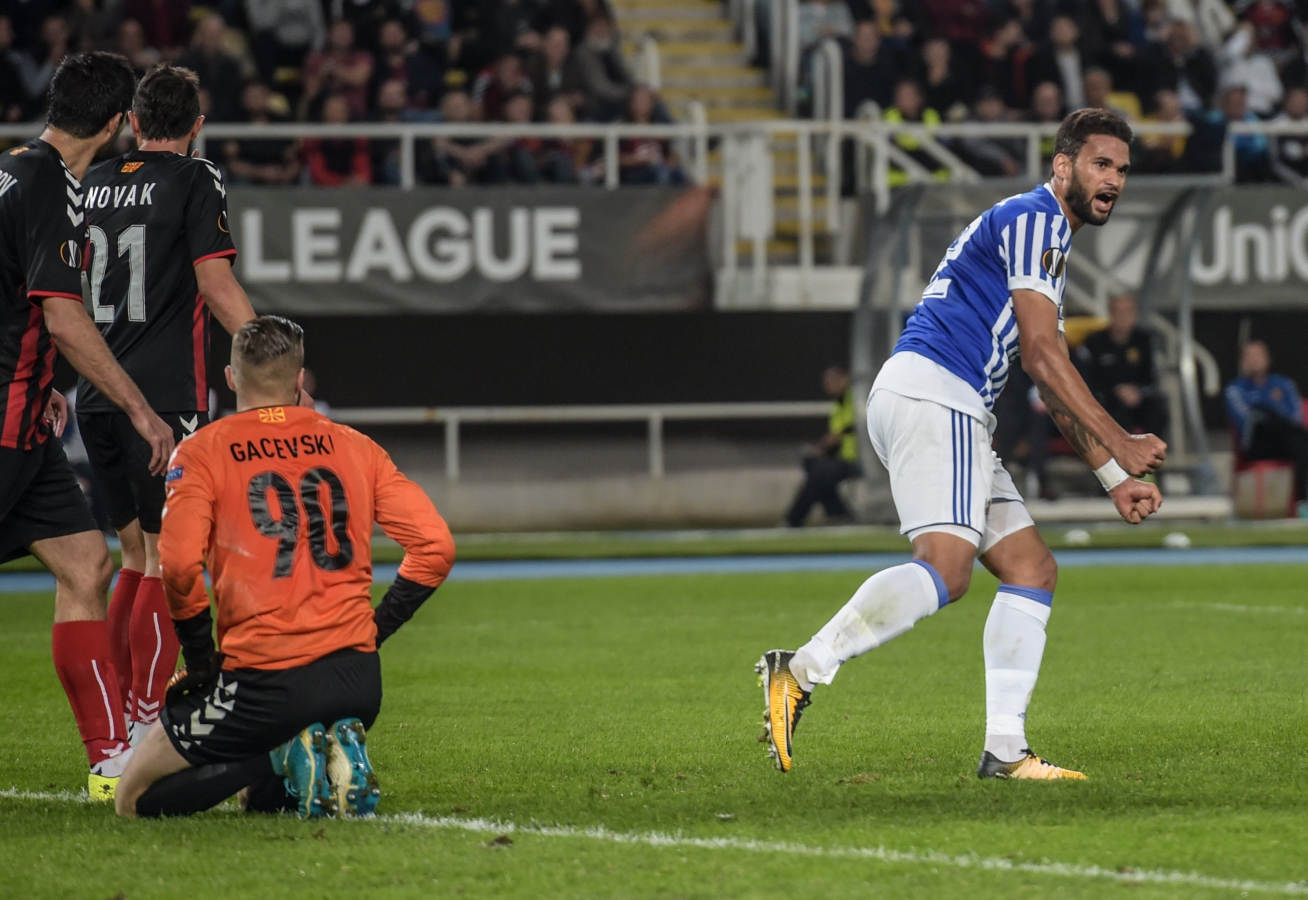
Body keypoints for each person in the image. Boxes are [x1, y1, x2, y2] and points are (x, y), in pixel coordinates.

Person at [757, 108, 1166, 781]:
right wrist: (1121, 438)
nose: (1114, 179)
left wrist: (1111, 477)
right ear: (1063, 166)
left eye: (1122, 168)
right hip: (936, 393)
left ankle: (1005, 751)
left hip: (945, 404)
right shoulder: (1036, 219)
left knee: (1031, 569)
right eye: (1101, 163)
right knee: (946, 569)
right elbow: (1040, 357)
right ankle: (799, 670)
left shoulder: (1047, 247)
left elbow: (1054, 378)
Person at [115, 316, 455, 819]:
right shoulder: (356, 446)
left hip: (264, 682)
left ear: (230, 379)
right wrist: (372, 632)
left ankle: (279, 749)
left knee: (132, 798)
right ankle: (302, 751)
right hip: (357, 682)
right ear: (300, 380)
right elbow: (436, 547)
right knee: (262, 806)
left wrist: (203, 661)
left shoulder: (204, 450)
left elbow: (180, 565)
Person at [0, 51, 175, 801]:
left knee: (86, 566)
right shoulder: (50, 188)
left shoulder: (8, 168)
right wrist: (138, 406)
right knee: (91, 568)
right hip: (3, 420)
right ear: (114, 124)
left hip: (26, 416)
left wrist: (43, 381)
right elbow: (65, 316)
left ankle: (109, 763)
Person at [79, 64, 257, 747]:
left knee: (130, 555)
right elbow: (214, 281)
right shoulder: (195, 176)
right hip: (164, 399)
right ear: (197, 125)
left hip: (96, 394)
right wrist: (266, 355)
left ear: (130, 121)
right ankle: (152, 721)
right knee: (163, 559)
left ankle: (124, 716)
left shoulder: (91, 183)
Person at [1225, 339, 1308, 507]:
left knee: (1299, 442)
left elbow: (1295, 417)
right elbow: (1246, 421)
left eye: (1258, 355)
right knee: (1264, 415)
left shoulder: (1284, 384)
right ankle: (1303, 502)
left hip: (1288, 441)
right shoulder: (1236, 388)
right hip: (1257, 444)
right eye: (1249, 356)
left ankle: (1302, 502)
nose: (1254, 360)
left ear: (1268, 358)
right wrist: (1267, 408)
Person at [1077, 293, 1166, 438]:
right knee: (1111, 412)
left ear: (1135, 314)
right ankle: (1117, 457)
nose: (1124, 317)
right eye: (1119, 312)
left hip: (1137, 398)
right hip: (1107, 399)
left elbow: (1151, 377)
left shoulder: (1144, 340)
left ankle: (1155, 455)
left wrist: (1138, 391)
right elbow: (1088, 379)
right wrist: (1115, 391)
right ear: (1111, 314)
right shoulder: (1095, 341)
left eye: (1129, 312)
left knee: (1157, 409)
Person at [785, 366, 863, 527]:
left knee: (817, 475)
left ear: (844, 380)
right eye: (826, 382)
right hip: (841, 457)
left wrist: (821, 447)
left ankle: (794, 519)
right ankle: (840, 513)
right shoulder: (838, 404)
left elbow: (842, 431)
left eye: (833, 380)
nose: (828, 385)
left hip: (855, 459)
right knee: (813, 469)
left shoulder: (854, 399)